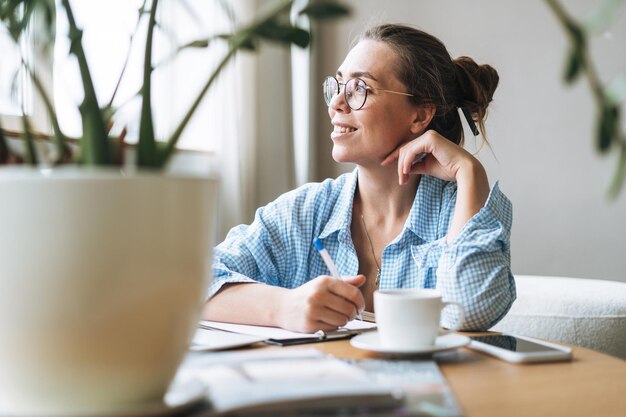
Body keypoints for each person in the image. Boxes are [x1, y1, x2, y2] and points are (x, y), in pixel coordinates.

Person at [203, 23, 515, 333]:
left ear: (420, 115)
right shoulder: (306, 212)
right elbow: (193, 285)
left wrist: (470, 172)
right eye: (338, 87)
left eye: (359, 89)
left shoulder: (462, 209)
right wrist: (284, 307)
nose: (336, 104)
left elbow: (471, 313)